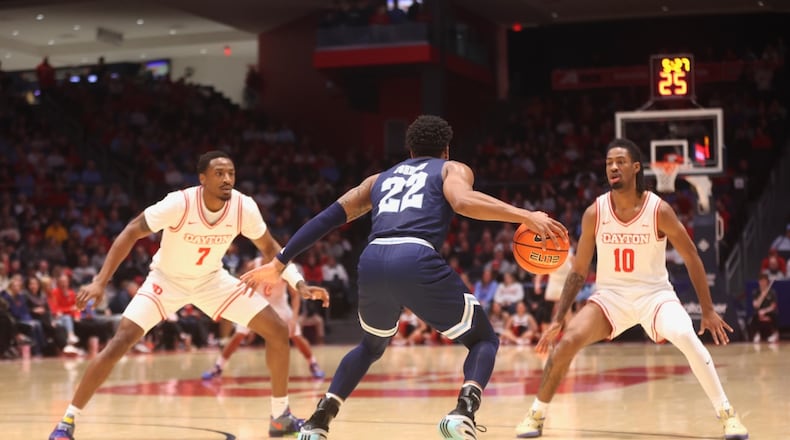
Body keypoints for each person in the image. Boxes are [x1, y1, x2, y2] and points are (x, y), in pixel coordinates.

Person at [241, 115, 568, 440]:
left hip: (371, 260)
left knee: (370, 346)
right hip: (414, 256)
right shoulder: (451, 169)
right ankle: (462, 413)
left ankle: (317, 422)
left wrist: (281, 260)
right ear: (446, 149)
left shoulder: (378, 179)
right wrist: (525, 215)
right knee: (483, 339)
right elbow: (463, 201)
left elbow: (326, 219)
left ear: (409, 150)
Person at [48, 150, 329, 440]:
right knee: (120, 341)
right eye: (219, 173)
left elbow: (271, 249)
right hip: (166, 280)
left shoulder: (243, 206)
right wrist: (100, 281)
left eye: (231, 173)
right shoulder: (179, 202)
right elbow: (132, 230)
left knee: (278, 329)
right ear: (202, 179)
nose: (227, 179)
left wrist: (299, 283)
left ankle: (280, 417)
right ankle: (67, 421)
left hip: (211, 280)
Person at [514, 138, 748, 440]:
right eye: (609, 162)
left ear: (636, 167)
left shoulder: (659, 210)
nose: (613, 166)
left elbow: (692, 256)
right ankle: (536, 414)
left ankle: (727, 413)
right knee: (567, 341)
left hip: (655, 295)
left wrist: (707, 309)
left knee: (685, 335)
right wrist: (559, 318)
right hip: (610, 296)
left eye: (620, 161)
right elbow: (579, 270)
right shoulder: (594, 212)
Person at [202, 257, 328, 380]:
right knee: (238, 335)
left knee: (296, 336)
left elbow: (294, 296)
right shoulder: (254, 264)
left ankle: (313, 364)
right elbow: (244, 287)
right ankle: (218, 367)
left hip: (280, 306)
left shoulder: (284, 266)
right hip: (258, 304)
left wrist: (294, 319)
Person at [749, 273, 779, 343]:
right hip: (759, 313)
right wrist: (762, 296)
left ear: (767, 282)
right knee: (754, 316)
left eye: (764, 281)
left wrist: (765, 311)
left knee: (775, 314)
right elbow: (755, 305)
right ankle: (756, 334)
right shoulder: (756, 292)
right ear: (759, 282)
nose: (762, 283)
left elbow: (773, 306)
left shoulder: (772, 292)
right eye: (761, 281)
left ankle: (774, 334)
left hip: (769, 312)